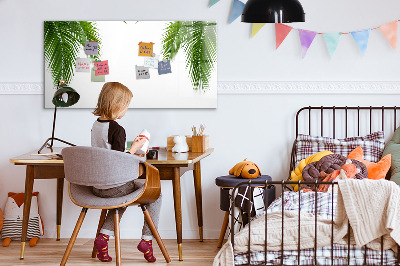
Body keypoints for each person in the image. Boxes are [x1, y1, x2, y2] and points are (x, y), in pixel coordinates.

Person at [91, 82, 161, 263]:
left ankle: (103, 238)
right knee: (156, 194)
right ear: (117, 105)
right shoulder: (117, 129)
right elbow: (119, 161)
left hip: (97, 186)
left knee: (121, 197)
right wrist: (136, 148)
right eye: (126, 106)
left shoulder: (96, 125)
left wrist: (131, 149)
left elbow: (108, 154)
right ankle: (147, 240)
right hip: (114, 186)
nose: (126, 110)